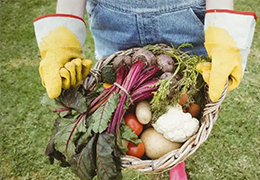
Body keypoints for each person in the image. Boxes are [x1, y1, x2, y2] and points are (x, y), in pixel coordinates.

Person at [33, 0, 256, 179]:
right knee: (118, 92)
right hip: (114, 21)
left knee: (184, 91)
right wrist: (63, 36)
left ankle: (176, 156)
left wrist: (223, 36)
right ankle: (166, 152)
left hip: (184, 17)